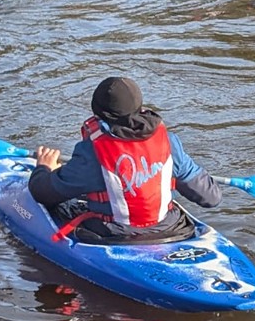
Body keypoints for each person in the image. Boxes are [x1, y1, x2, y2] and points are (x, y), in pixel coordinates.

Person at [28, 76, 223, 244]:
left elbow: (42, 193)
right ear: (140, 107)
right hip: (170, 230)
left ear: (97, 113)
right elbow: (211, 198)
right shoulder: (168, 142)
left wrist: (44, 168)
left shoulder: (92, 152)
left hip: (114, 237)